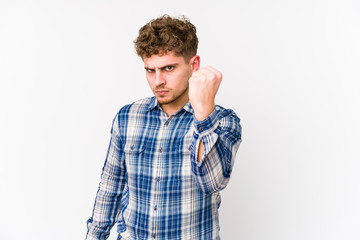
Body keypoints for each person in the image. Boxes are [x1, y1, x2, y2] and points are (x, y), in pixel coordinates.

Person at [85, 14, 242, 240]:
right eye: (150, 70)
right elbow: (110, 188)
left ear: (193, 65)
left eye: (168, 68)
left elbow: (213, 183)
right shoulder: (127, 117)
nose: (157, 81)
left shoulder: (224, 121)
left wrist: (204, 114)